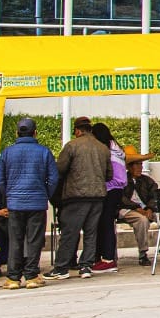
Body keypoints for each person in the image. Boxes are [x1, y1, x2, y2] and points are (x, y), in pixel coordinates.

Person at [0, 117, 59, 288]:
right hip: (37, 202)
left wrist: (9, 195)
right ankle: (31, 275)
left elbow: (0, 180)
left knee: (15, 240)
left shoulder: (7, 152)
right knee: (34, 240)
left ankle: (13, 278)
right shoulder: (44, 152)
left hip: (15, 203)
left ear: (17, 133)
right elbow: (53, 178)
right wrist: (45, 195)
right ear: (35, 132)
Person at [52, 115, 109, 280]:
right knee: (91, 232)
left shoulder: (71, 146)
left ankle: (61, 267)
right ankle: (86, 266)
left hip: (76, 196)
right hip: (98, 196)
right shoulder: (103, 148)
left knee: (70, 232)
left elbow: (60, 170)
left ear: (77, 130)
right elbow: (109, 174)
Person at [89, 122, 125, 274]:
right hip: (118, 188)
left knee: (106, 223)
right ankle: (106, 258)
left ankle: (108, 259)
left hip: (110, 187)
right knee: (107, 222)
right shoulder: (116, 146)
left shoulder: (104, 149)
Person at [117, 145, 156, 266]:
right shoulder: (122, 180)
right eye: (137, 164)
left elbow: (155, 195)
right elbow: (121, 198)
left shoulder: (147, 180)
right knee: (142, 220)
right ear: (129, 166)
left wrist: (150, 208)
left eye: (141, 164)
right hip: (127, 209)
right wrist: (136, 208)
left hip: (145, 208)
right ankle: (143, 253)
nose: (140, 167)